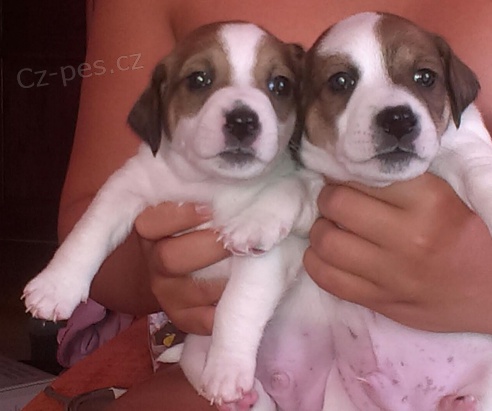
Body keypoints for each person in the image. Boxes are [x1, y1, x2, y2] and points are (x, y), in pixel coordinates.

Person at [56, 0, 492, 409]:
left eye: (424, 78)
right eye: (340, 83)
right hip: (257, 354)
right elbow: (97, 226)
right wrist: (172, 262)